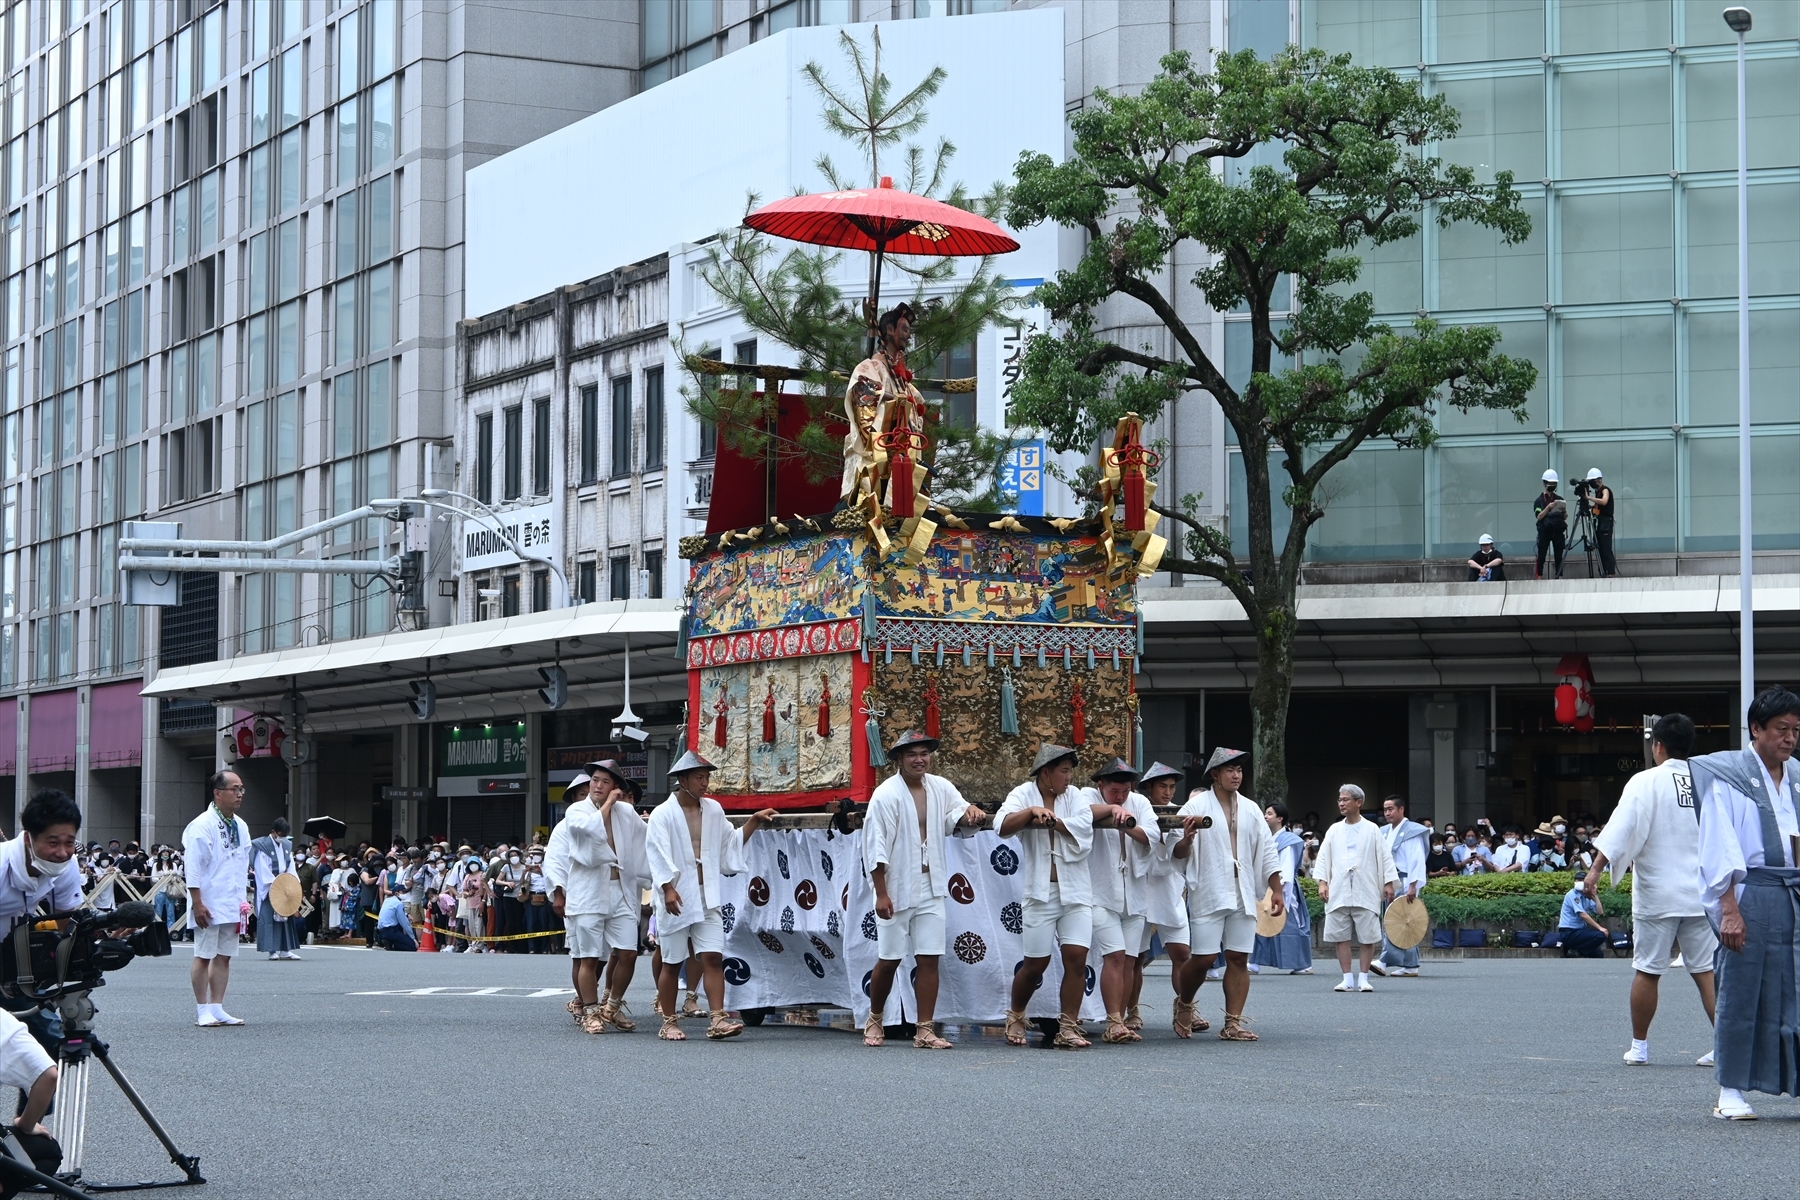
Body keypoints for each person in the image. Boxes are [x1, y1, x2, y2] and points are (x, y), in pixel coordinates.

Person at [1584, 712, 1717, 1068]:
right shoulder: (1709, 781)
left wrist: (1595, 872)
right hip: (1702, 891)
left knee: (1648, 970)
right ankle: (1725, 1046)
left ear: (1657, 746)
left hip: (1658, 891)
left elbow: (1620, 831)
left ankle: (1639, 1047)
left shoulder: (1645, 782)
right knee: (1707, 971)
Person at [1692, 685, 1800, 1121]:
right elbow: (1720, 845)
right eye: (1780, 729)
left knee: (1797, 991)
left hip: (1793, 892)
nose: (1789, 738)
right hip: (1750, 893)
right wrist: (1729, 909)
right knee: (1741, 991)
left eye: (1795, 730)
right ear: (1755, 729)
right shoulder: (1729, 776)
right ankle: (1730, 1090)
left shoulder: (1796, 778)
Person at [861, 730, 988, 1050]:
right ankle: (875, 1018)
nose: (919, 760)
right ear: (900, 760)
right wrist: (881, 892)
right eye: (912, 755)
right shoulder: (886, 794)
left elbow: (958, 814)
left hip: (931, 885)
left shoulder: (940, 786)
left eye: (924, 754)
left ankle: (925, 1029)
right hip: (896, 884)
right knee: (889, 958)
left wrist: (971, 811)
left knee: (929, 959)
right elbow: (874, 846)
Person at [646, 751, 777, 1042]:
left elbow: (729, 843)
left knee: (714, 957)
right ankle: (669, 1021)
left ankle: (718, 1019)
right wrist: (667, 887)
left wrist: (753, 822)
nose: (705, 783)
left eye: (706, 777)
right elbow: (656, 853)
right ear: (682, 780)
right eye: (699, 777)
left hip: (707, 894)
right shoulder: (662, 814)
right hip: (676, 895)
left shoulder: (714, 810)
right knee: (672, 961)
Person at [993, 744, 1116, 1050]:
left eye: (1070, 771)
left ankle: (1069, 1026)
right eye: (1064, 771)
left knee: (1076, 958)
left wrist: (1054, 822)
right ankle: (1017, 1013)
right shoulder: (1023, 793)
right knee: (1036, 963)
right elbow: (1002, 825)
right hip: (1040, 893)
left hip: (1075, 890)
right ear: (1045, 772)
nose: (1068, 777)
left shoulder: (1074, 796)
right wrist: (1032, 812)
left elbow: (1082, 828)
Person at [1171, 748, 1282, 1041]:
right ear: (1214, 775)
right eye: (1230, 770)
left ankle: (1232, 1023)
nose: (1236, 775)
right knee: (1204, 957)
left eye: (1239, 770)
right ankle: (1184, 1002)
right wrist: (1186, 840)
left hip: (1243, 889)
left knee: (1238, 957)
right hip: (1209, 888)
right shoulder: (1194, 807)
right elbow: (1176, 852)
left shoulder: (1252, 808)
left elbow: (1267, 851)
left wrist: (1277, 889)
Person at [560, 762, 652, 1034]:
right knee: (589, 957)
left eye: (605, 782)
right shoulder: (576, 810)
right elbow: (588, 831)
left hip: (620, 888)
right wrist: (608, 805)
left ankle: (611, 1006)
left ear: (617, 787)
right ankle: (589, 1011)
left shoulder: (626, 812)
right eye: (595, 780)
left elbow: (647, 840)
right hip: (588, 891)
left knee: (629, 953)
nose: (598, 786)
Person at [1082, 757, 1158, 1044]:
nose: (1121, 796)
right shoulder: (1085, 796)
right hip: (1100, 891)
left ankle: (1122, 1018)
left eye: (1125, 791)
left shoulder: (1139, 803)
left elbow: (1151, 834)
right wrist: (1112, 808)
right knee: (1113, 955)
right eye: (1114, 791)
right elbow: (1082, 813)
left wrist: (1126, 823)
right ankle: (1113, 1021)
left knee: (1128, 959)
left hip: (1134, 892)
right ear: (1100, 785)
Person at [182, 772, 253, 1027]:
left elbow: (242, 863)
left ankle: (217, 1006)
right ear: (218, 793)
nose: (239, 794)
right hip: (209, 899)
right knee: (203, 954)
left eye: (241, 789)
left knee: (224, 956)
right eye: (235, 789)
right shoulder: (202, 824)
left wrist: (244, 899)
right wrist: (197, 902)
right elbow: (193, 866)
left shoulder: (240, 825)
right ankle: (202, 1009)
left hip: (232, 900)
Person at [839, 302, 925, 506]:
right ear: (889, 330)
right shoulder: (869, 368)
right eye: (904, 329)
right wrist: (893, 401)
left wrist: (908, 406)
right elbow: (862, 393)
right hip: (874, 461)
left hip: (900, 462)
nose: (908, 336)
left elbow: (918, 407)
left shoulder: (902, 380)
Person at [1314, 785, 1397, 993]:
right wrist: (1323, 882)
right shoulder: (1334, 830)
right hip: (1339, 887)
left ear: (1358, 802)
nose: (1341, 803)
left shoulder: (1372, 829)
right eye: (1340, 799)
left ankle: (1364, 977)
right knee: (1340, 934)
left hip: (1365, 886)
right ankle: (1347, 978)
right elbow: (1323, 857)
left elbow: (1385, 857)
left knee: (1367, 934)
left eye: (1346, 799)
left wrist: (1388, 882)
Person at [1127, 762, 1192, 1030]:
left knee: (1182, 953)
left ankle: (1185, 1007)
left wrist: (1187, 839)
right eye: (1162, 786)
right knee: (1136, 957)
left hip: (1168, 887)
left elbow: (1178, 853)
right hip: (1139, 884)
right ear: (1149, 788)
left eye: (1172, 787)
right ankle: (1131, 1011)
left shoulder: (1179, 813)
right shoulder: (1135, 810)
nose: (1167, 792)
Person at [1251, 801, 1312, 974]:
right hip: (1266, 886)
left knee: (1289, 924)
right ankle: (1255, 961)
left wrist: (1280, 890)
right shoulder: (1265, 837)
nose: (1265, 816)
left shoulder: (1289, 841)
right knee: (1262, 924)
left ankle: (1300, 963)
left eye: (1269, 813)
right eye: (1265, 813)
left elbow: (1286, 868)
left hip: (1283, 887)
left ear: (1280, 818)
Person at [1374, 795, 1428, 978]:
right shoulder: (1383, 831)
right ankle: (1411, 964)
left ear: (1401, 809)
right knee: (1403, 923)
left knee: (1398, 921)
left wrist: (1413, 885)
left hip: (1405, 881)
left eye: (1391, 809)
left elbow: (1417, 859)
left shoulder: (1412, 831)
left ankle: (1384, 960)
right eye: (1385, 809)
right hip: (1389, 881)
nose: (1387, 813)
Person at [251, 818, 302, 961]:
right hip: (270, 886)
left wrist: (293, 883)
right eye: (281, 834)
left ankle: (285, 950)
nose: (283, 838)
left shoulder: (286, 845)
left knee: (286, 917)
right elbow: (262, 870)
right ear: (273, 832)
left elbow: (291, 866)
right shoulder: (263, 846)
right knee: (269, 919)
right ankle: (272, 950)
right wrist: (276, 884)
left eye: (285, 835)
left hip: (284, 885)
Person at [1557, 872, 1608, 958]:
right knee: (1600, 935)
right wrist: (1600, 928)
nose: (1580, 882)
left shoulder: (1586, 897)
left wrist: (1595, 895)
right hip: (1569, 932)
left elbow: (1600, 912)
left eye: (1582, 880)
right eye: (1578, 880)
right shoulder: (1572, 895)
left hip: (1579, 932)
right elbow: (1582, 915)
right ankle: (1575, 950)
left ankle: (1574, 950)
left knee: (1599, 955)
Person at [1533, 468, 1567, 580]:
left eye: (1554, 483)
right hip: (1544, 530)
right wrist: (1548, 507)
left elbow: (1565, 517)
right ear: (1545, 483)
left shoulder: (1559, 499)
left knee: (1559, 554)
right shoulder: (1539, 500)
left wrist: (1563, 511)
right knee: (1541, 554)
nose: (1552, 485)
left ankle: (1559, 575)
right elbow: (1539, 516)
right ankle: (1540, 576)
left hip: (1557, 530)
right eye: (1550, 483)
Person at [1584, 467, 1615, 577]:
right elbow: (1598, 507)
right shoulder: (1598, 492)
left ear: (1598, 480)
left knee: (1606, 548)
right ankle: (1603, 571)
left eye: (1592, 481)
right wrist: (1591, 507)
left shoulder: (1605, 490)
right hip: (1599, 524)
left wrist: (1589, 497)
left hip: (1605, 524)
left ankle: (1610, 571)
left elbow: (1604, 501)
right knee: (1599, 548)